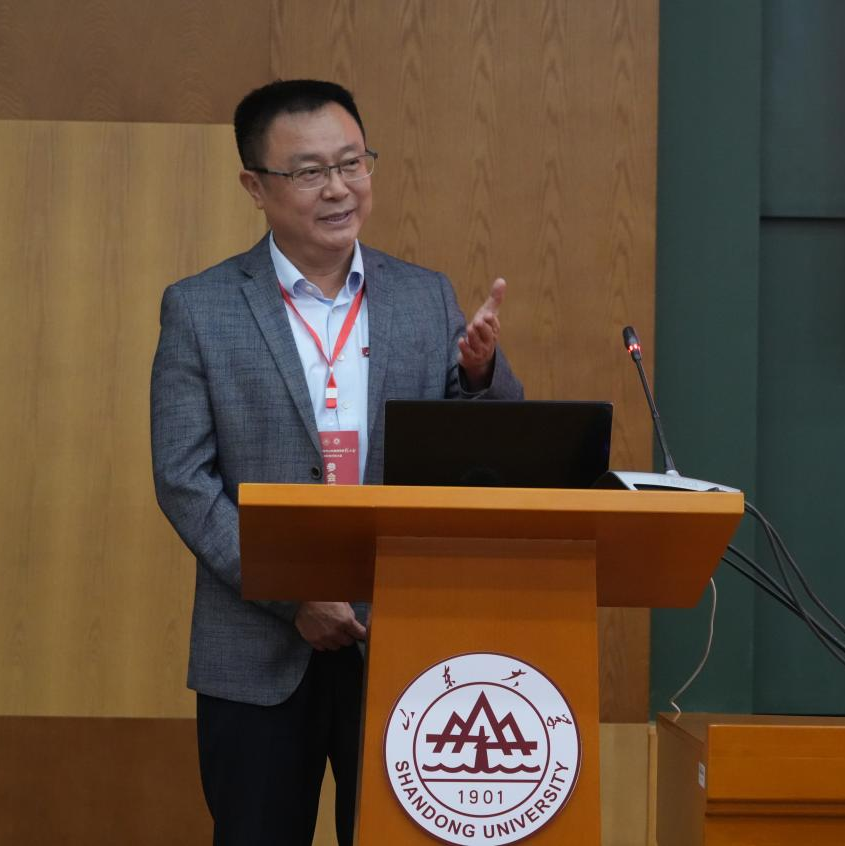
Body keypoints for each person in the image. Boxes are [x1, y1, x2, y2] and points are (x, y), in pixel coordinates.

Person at [150, 79, 523, 845]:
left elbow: (488, 454)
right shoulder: (200, 307)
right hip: (255, 649)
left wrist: (481, 374)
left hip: (401, 643)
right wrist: (292, 596)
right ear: (255, 186)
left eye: (352, 163)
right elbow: (184, 480)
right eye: (309, 171)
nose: (338, 188)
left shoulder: (423, 297)